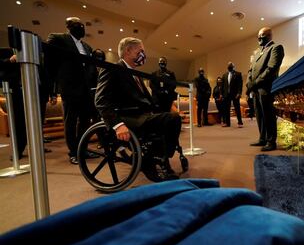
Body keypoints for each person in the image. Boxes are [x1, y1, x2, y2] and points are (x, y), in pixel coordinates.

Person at [95, 37, 180, 181]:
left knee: (170, 119)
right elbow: (101, 100)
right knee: (172, 119)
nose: (143, 55)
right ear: (128, 51)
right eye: (140, 51)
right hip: (126, 117)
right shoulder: (112, 69)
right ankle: (154, 160)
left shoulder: (136, 75)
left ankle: (159, 158)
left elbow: (148, 101)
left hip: (142, 115)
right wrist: (117, 125)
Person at [46, 17, 98, 164]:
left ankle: (83, 149)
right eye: (76, 24)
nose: (81, 26)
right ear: (68, 26)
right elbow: (50, 65)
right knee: (70, 121)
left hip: (86, 90)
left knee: (85, 121)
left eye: (82, 24)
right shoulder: (58, 39)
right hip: (69, 88)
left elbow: (90, 69)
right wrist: (53, 89)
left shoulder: (87, 47)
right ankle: (73, 152)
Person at [0, 48, 53, 159]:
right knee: (19, 123)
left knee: (38, 122)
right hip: (19, 91)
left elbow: (45, 72)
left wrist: (49, 92)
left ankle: (38, 147)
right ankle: (18, 151)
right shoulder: (6, 52)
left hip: (38, 91)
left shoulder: (34, 51)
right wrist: (9, 60)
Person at [246, 27, 284, 151]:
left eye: (261, 35)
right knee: (259, 114)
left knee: (268, 115)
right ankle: (262, 138)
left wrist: (255, 82)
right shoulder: (258, 52)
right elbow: (251, 70)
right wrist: (249, 83)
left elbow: (271, 69)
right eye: (258, 35)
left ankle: (271, 141)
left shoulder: (276, 48)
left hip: (266, 88)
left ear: (269, 35)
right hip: (256, 89)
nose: (259, 38)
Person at [222, 62, 243, 128]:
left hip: (235, 94)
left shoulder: (238, 74)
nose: (229, 66)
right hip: (226, 95)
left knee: (237, 108)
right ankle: (227, 123)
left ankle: (240, 122)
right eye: (228, 65)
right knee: (226, 109)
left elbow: (240, 85)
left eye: (231, 65)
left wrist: (239, 93)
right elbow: (223, 86)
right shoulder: (224, 75)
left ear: (233, 66)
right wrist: (222, 94)